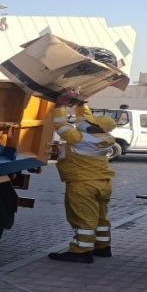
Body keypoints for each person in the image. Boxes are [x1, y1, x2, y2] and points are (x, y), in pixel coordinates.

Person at [48, 90, 119, 264]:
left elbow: (61, 125)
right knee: (101, 218)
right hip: (103, 183)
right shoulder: (104, 137)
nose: (84, 122)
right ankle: (102, 247)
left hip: (83, 184)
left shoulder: (80, 139)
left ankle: (81, 251)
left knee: (83, 218)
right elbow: (86, 118)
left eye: (90, 122)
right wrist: (81, 104)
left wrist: (60, 104)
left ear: (95, 127)